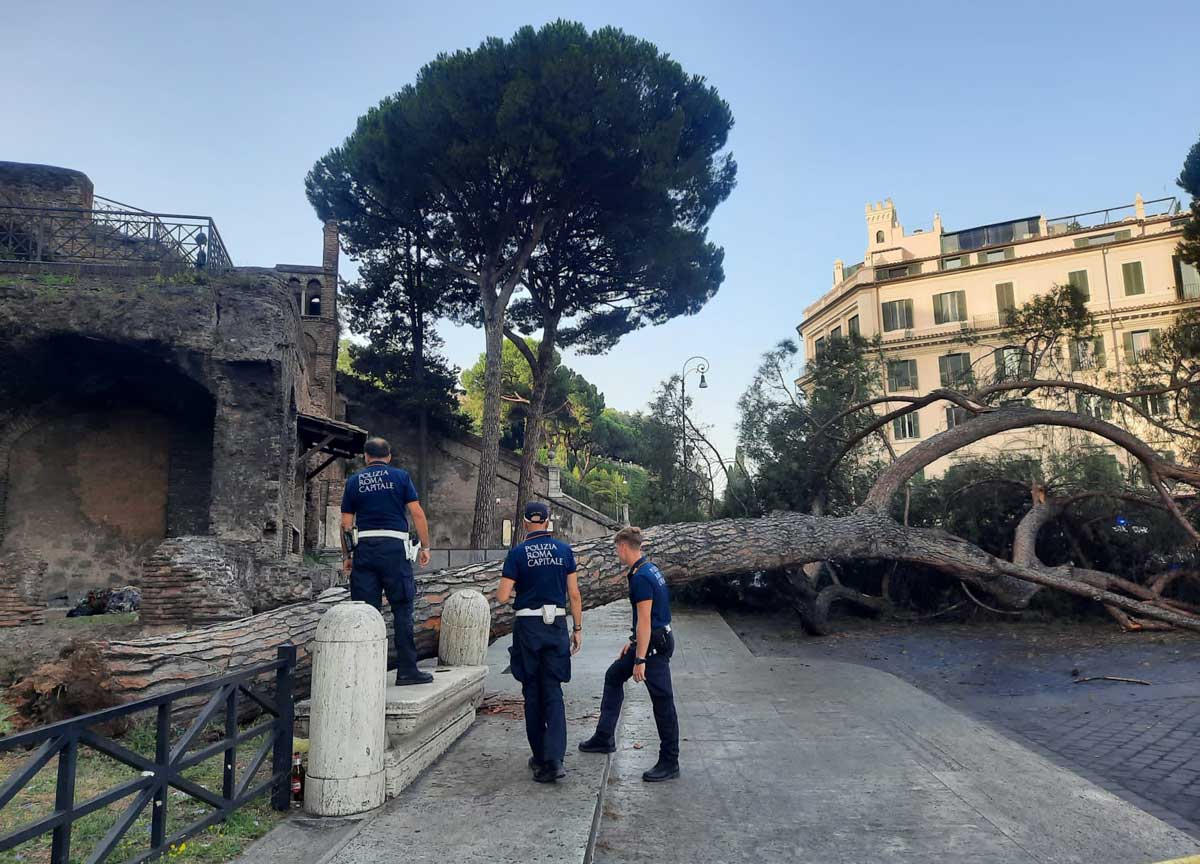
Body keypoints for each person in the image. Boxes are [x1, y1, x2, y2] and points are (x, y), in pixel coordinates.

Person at [578, 526, 679, 782]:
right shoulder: (647, 569)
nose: (616, 553)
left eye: (616, 548)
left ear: (623, 546)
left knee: (662, 700)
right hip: (651, 639)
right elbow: (645, 620)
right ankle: (604, 736)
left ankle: (670, 761)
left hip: (654, 645)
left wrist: (640, 658)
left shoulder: (641, 577)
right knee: (613, 675)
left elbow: (646, 620)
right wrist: (632, 642)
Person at [496, 501, 583, 784]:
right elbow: (574, 594)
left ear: (525, 522)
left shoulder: (517, 554)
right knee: (553, 692)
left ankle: (541, 757)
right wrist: (577, 628)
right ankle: (556, 758)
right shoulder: (564, 551)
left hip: (528, 627)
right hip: (556, 624)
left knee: (532, 693)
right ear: (548, 521)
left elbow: (502, 595)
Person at [340, 436, 434, 685]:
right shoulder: (401, 477)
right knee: (403, 609)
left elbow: (346, 524)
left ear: (365, 457)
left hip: (365, 549)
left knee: (364, 611)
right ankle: (407, 671)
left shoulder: (354, 481)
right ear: (389, 456)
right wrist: (425, 546)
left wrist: (347, 555)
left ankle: (364, 672)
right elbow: (417, 513)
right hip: (395, 550)